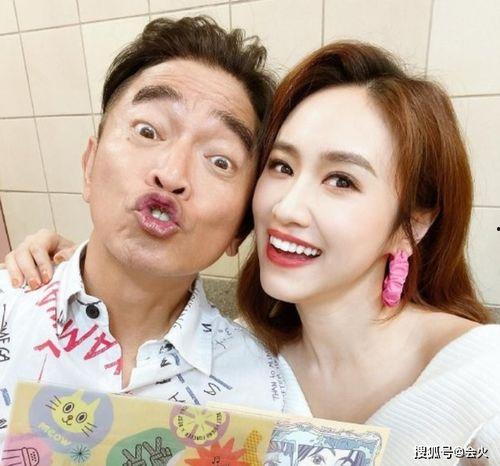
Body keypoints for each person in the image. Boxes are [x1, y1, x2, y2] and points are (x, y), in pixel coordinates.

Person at [6, 42, 500, 463]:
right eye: (282, 166)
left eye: (341, 180)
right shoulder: (255, 357)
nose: (287, 207)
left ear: (413, 224)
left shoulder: (481, 379)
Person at [0, 15, 287, 441]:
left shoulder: (267, 397)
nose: (171, 174)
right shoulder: (8, 308)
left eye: (219, 160)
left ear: (239, 232)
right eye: (148, 131)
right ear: (89, 166)